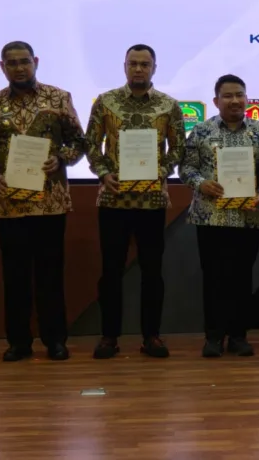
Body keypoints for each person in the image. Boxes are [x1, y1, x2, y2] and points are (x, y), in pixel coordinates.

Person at [0, 41, 86, 362]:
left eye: (24, 61)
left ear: (36, 61)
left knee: (51, 275)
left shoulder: (58, 98)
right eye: (12, 63)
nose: (19, 68)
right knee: (15, 277)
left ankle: (55, 340)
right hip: (8, 205)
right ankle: (19, 342)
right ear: (2, 67)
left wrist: (60, 159)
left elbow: (79, 142)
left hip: (50, 203)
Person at [85, 44, 185, 360]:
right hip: (114, 200)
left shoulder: (169, 105)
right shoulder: (106, 102)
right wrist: (103, 173)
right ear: (124, 66)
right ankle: (109, 337)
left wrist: (161, 172)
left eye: (145, 64)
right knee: (111, 272)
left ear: (154, 68)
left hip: (152, 202)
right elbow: (91, 145)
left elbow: (178, 149)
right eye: (133, 63)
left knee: (152, 272)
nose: (139, 69)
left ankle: (151, 336)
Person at [181, 74, 259, 358]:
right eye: (228, 95)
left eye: (239, 95)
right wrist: (201, 184)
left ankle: (238, 336)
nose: (234, 100)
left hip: (248, 217)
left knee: (242, 279)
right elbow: (186, 168)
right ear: (216, 100)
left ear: (247, 98)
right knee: (213, 278)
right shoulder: (201, 131)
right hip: (211, 217)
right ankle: (213, 337)